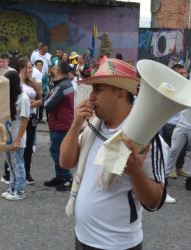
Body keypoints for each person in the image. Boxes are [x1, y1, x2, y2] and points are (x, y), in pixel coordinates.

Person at [60, 59, 166, 249]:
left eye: (98, 89)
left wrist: (135, 172)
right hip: (83, 238)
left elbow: (155, 201)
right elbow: (65, 162)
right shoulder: (92, 127)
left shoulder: (145, 137)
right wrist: (76, 124)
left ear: (120, 94)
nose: (91, 97)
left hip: (118, 245)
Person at [44, 60, 74, 191]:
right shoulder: (64, 84)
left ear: (58, 71)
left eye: (55, 68)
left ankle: (67, 178)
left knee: (57, 152)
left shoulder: (61, 86)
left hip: (60, 124)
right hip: (61, 122)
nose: (53, 69)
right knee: (58, 151)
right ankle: (60, 177)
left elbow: (48, 104)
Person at [1, 71, 30, 200]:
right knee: (10, 164)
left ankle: (20, 190)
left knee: (18, 164)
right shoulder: (10, 97)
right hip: (8, 135)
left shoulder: (24, 98)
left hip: (17, 136)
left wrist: (17, 140)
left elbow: (25, 120)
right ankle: (12, 186)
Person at [17, 59, 42, 184]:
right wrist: (27, 103)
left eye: (31, 67)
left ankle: (27, 173)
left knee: (28, 147)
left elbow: (40, 100)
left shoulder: (31, 82)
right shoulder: (15, 82)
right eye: (29, 67)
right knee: (16, 146)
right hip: (18, 119)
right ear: (22, 68)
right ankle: (10, 172)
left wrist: (30, 104)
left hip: (30, 118)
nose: (31, 70)